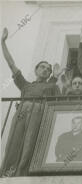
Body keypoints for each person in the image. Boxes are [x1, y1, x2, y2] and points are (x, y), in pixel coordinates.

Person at [0, 28, 62, 176]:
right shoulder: (26, 85)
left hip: (38, 114)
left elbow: (57, 102)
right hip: (22, 113)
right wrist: (2, 43)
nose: (45, 70)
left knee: (30, 143)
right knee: (14, 142)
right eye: (42, 67)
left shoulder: (52, 85)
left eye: (48, 69)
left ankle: (23, 172)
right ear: (36, 70)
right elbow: (11, 64)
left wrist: (56, 77)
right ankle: (8, 172)